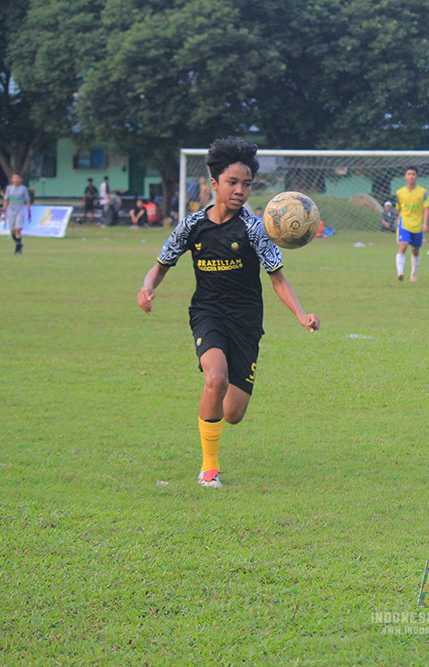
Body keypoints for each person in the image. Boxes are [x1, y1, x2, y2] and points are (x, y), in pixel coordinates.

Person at [136, 137, 319, 489]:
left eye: (246, 184)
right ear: (214, 183)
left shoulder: (255, 229)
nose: (240, 190)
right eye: (232, 182)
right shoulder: (192, 225)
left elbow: (278, 279)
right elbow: (160, 266)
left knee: (233, 413)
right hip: (208, 313)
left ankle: (213, 415)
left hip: (246, 321)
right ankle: (209, 470)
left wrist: (300, 314)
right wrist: (147, 287)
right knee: (215, 378)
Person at [394, 165, 429, 282]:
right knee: (403, 246)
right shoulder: (399, 193)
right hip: (404, 224)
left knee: (415, 250)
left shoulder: (423, 192)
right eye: (409, 174)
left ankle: (413, 273)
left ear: (417, 177)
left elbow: (426, 209)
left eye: (413, 174)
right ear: (405, 177)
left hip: (417, 225)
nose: (411, 176)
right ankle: (400, 272)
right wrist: (398, 221)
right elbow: (398, 209)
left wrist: (425, 223)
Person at [3, 173, 31, 255]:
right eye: (14, 178)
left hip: (20, 210)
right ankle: (19, 243)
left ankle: (18, 249)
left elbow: (27, 200)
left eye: (18, 178)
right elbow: (6, 200)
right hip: (11, 211)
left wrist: (29, 212)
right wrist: (3, 211)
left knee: (18, 229)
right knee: (13, 231)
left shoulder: (23, 189)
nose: (16, 180)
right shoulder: (9, 188)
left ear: (20, 179)